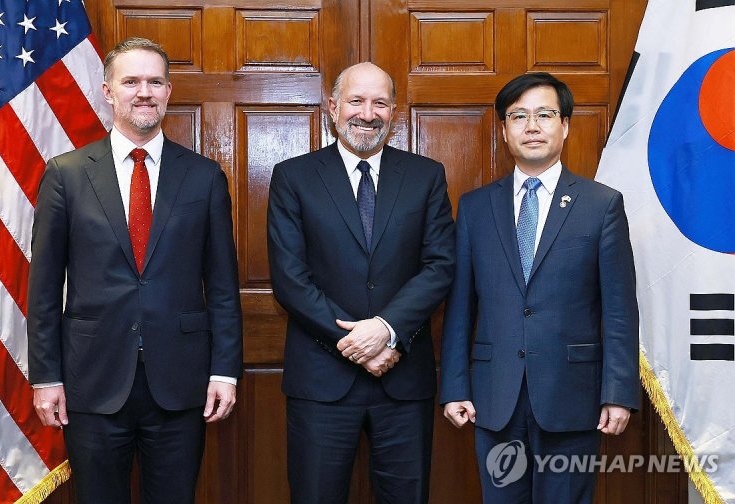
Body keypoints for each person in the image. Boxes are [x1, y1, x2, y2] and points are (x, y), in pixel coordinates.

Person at [27, 37, 242, 503]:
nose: (144, 91)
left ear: (168, 91)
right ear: (108, 91)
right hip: (92, 382)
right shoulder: (65, 174)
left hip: (181, 383)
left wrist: (225, 371)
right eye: (131, 81)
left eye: (155, 81)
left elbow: (223, 287)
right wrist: (46, 377)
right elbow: (43, 288)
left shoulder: (204, 177)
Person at [439, 72, 640, 503]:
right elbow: (460, 307)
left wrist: (618, 393)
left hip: (574, 398)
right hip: (494, 398)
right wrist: (455, 385)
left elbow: (620, 309)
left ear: (565, 126)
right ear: (505, 130)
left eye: (545, 114)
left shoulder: (601, 204)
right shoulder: (475, 207)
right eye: (519, 116)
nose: (532, 126)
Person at [267, 62, 455, 504]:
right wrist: (354, 342)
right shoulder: (293, 177)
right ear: (333, 108)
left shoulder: (426, 176)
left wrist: (386, 330)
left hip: (402, 376)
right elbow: (290, 279)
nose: (367, 113)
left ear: (394, 111)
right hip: (321, 381)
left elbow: (439, 266)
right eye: (355, 101)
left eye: (380, 103)